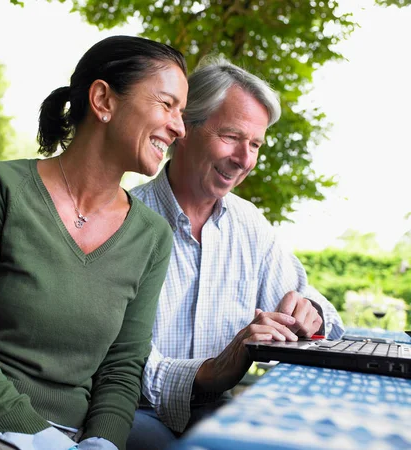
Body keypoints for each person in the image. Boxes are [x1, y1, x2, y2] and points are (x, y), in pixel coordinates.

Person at [0, 35, 188, 450]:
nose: (179, 126)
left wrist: (102, 442)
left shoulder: (153, 236)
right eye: (167, 104)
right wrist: (39, 438)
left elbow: (121, 368)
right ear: (103, 99)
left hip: (70, 435)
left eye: (182, 112)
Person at [127, 56, 345, 449]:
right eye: (231, 137)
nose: (245, 159)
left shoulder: (249, 224)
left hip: (219, 412)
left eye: (255, 144)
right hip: (133, 413)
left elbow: (319, 311)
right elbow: (118, 361)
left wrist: (309, 315)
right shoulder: (124, 220)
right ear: (184, 129)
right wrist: (211, 372)